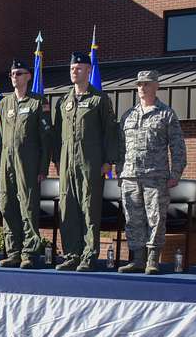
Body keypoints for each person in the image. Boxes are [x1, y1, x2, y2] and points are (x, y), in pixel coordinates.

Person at [52, 52, 119, 272]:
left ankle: (89, 256)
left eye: (79, 68)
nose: (74, 71)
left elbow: (110, 132)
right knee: (68, 208)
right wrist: (57, 160)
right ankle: (71, 254)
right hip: (67, 163)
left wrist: (109, 161)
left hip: (90, 163)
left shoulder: (99, 100)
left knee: (89, 208)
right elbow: (56, 134)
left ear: (89, 71)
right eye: (72, 68)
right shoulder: (63, 101)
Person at [117, 71, 187, 275]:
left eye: (146, 84)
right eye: (139, 84)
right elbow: (121, 147)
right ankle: (137, 259)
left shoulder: (166, 114)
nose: (142, 88)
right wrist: (120, 171)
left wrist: (175, 174)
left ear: (156, 86)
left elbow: (178, 147)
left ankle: (152, 260)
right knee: (132, 218)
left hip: (155, 176)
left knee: (155, 218)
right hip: (130, 176)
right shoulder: (128, 115)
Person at [0, 59, 52, 269]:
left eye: (19, 73)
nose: (15, 77)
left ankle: (29, 253)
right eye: (12, 74)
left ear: (28, 76)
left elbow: (46, 138)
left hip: (27, 164)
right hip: (7, 164)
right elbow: (1, 138)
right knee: (7, 206)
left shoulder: (38, 103)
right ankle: (13, 251)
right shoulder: (4, 104)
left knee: (27, 207)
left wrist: (42, 167)